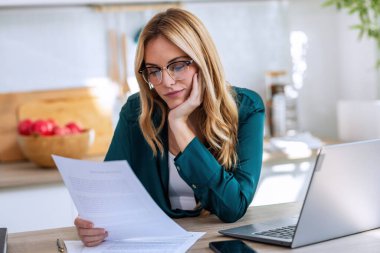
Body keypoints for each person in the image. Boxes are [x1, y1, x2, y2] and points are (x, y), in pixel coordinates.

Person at [74, 7, 265, 247]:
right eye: (154, 71)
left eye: (177, 66)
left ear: (202, 61)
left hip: (219, 245)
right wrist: (93, 224)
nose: (166, 82)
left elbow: (233, 207)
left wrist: (179, 125)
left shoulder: (246, 108)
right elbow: (110, 199)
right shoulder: (137, 111)